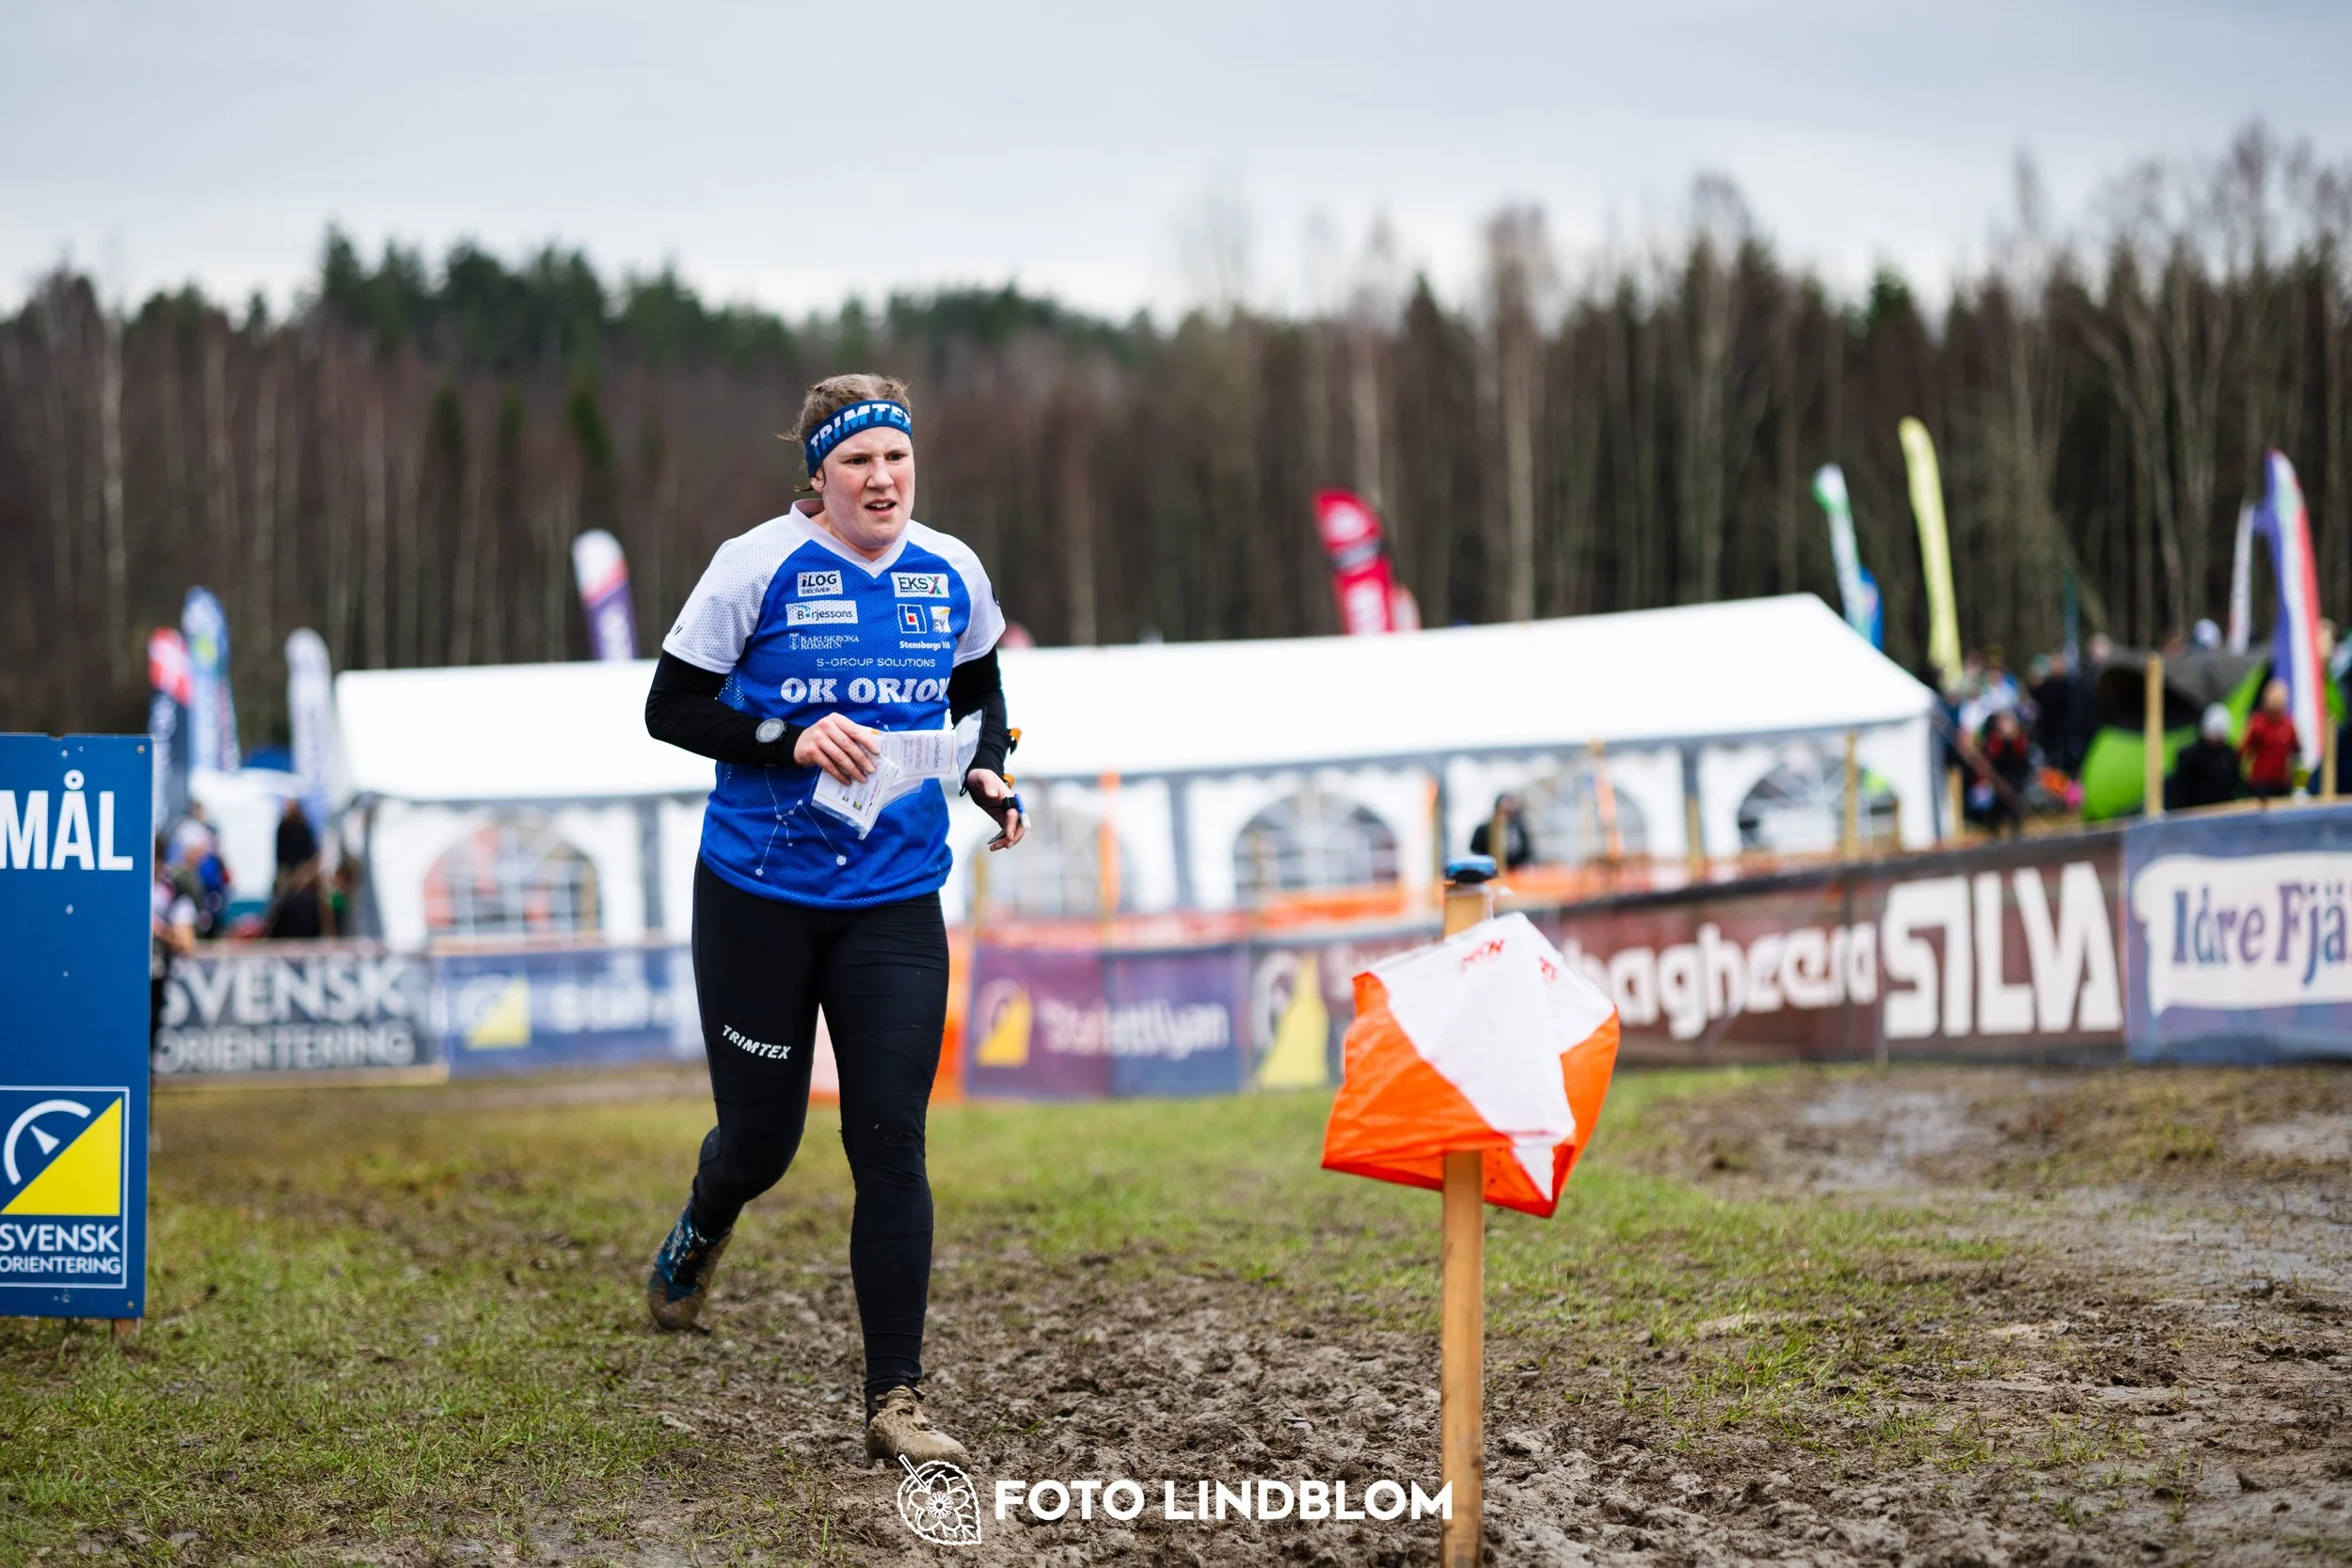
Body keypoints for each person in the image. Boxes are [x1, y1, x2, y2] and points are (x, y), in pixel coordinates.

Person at [640, 373, 1025, 1467]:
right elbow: (670, 707)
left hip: (895, 898)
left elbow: (978, 689)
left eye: (896, 458)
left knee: (889, 1140)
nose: (882, 478)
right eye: (858, 461)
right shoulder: (753, 564)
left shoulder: (951, 569)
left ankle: (893, 1397)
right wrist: (788, 736)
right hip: (758, 898)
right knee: (762, 1141)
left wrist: (989, 773)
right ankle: (702, 1223)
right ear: (818, 473)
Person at [151, 837, 198, 1049]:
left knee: (149, 1041)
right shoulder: (118, 885)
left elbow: (186, 944)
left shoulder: (173, 890)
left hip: (154, 977)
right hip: (118, 975)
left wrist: (159, 930)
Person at [2168, 705, 2244, 811]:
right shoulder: (2189, 756)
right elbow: (2180, 790)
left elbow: (2236, 782)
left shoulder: (2229, 754)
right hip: (2194, 812)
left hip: (2222, 811)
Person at [2240, 677, 2299, 801]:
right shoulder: (2258, 724)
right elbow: (2244, 750)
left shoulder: (2288, 724)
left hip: (2282, 781)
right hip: (2260, 782)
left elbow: (2296, 750)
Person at [1977, 709, 2032, 836]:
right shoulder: (1995, 740)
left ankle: (2016, 833)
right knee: (1998, 809)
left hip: (2016, 778)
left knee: (2015, 807)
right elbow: (1991, 756)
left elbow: (2023, 757)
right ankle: (1994, 831)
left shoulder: (2019, 739)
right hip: (2000, 779)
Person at [1468, 793, 1534, 869]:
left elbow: (1528, 852)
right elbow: (1476, 851)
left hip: (1515, 872)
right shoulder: (1483, 829)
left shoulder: (1519, 829)